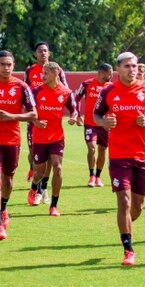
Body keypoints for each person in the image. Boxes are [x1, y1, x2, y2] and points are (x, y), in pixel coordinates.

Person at [93, 52, 145, 266]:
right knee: (123, 201)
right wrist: (104, 122)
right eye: (127, 66)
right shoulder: (108, 91)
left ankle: (125, 224)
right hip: (118, 156)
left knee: (137, 207)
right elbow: (96, 115)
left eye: (134, 66)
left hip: (143, 155)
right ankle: (128, 250)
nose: (132, 69)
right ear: (118, 70)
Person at [0, 51, 36, 239]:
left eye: (9, 64)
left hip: (12, 141)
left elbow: (33, 114)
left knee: (8, 180)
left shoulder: (21, 87)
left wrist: (12, 117)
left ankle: (3, 208)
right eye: (3, 64)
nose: (6, 68)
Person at [27, 63, 77, 216]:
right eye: (42, 73)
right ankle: (34, 187)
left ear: (56, 73)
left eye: (46, 73)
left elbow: (74, 110)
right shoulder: (36, 91)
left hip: (57, 137)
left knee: (58, 167)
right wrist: (36, 122)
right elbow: (27, 111)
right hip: (40, 137)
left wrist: (73, 118)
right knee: (39, 173)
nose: (42, 76)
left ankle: (54, 206)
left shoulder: (66, 92)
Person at [24, 42, 64, 194]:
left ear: (49, 53)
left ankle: (42, 188)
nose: (43, 53)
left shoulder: (57, 69)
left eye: (45, 50)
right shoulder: (30, 71)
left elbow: (64, 87)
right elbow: (25, 91)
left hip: (52, 124)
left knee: (51, 159)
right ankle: (33, 168)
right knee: (33, 153)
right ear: (35, 54)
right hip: (34, 120)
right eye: (40, 51)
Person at [74, 63, 112, 187]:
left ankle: (98, 176)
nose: (111, 76)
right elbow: (76, 98)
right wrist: (78, 114)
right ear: (101, 73)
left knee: (102, 150)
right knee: (92, 147)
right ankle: (91, 176)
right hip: (90, 123)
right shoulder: (87, 84)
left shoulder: (112, 86)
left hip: (105, 124)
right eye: (109, 73)